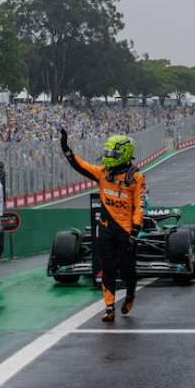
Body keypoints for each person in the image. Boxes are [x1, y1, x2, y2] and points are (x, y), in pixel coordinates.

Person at [60, 128, 145, 322]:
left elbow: (140, 204)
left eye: (112, 154)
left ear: (124, 154)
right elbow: (80, 165)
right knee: (107, 267)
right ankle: (109, 307)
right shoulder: (102, 173)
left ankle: (130, 295)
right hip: (106, 229)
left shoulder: (136, 177)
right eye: (107, 153)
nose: (108, 157)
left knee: (127, 270)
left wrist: (136, 228)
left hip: (126, 231)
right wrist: (65, 148)